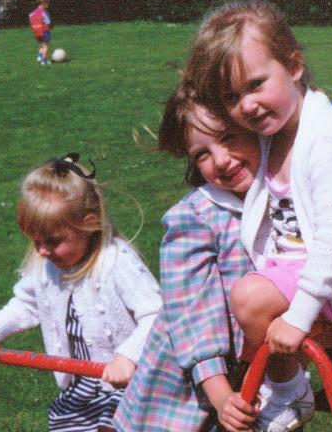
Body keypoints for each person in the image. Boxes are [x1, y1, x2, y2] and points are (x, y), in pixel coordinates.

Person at [183, 0, 332, 431]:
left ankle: (288, 391)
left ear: (295, 65)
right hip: (303, 268)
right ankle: (267, 381)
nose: (247, 105)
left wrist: (300, 315)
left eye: (256, 84)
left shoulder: (329, 138)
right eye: (232, 97)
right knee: (237, 291)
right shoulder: (272, 135)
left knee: (248, 297)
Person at [113, 87, 262, 432]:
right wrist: (221, 395)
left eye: (228, 137)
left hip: (247, 378)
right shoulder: (195, 219)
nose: (222, 159)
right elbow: (195, 318)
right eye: (202, 154)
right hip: (184, 394)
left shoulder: (277, 202)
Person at [0, 154, 162, 431]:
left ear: (88, 223)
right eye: (36, 242)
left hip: (130, 385)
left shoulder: (116, 261)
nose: (42, 251)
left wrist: (128, 355)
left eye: (53, 241)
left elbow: (158, 315)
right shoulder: (46, 267)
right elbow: (26, 305)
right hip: (81, 389)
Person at [29, 0, 52, 65]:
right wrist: (49, 25)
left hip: (36, 31)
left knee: (42, 45)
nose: (48, 5)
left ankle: (39, 57)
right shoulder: (44, 12)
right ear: (43, 3)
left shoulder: (34, 12)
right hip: (44, 30)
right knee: (46, 46)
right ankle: (44, 61)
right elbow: (48, 21)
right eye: (47, 3)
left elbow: (30, 16)